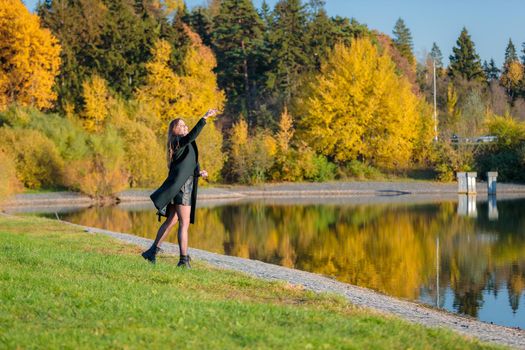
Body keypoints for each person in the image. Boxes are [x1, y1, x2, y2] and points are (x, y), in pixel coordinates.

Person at [141, 108, 218, 267]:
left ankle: (151, 252)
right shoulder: (176, 141)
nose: (184, 127)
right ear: (174, 130)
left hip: (182, 187)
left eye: (185, 125)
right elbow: (192, 135)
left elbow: (187, 165)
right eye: (181, 125)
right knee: (184, 222)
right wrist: (204, 118)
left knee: (172, 221)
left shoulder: (185, 144)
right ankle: (183, 260)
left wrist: (198, 172)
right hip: (182, 189)